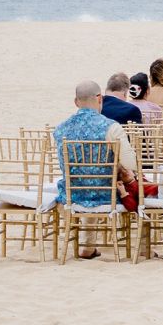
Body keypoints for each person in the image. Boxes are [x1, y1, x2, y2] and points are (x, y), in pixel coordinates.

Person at [54, 80, 140, 259]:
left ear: (76, 102)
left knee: (85, 180)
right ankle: (145, 246)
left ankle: (87, 247)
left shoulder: (60, 129)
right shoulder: (111, 127)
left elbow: (63, 164)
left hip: (72, 193)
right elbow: (131, 163)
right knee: (132, 183)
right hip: (106, 193)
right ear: (99, 98)